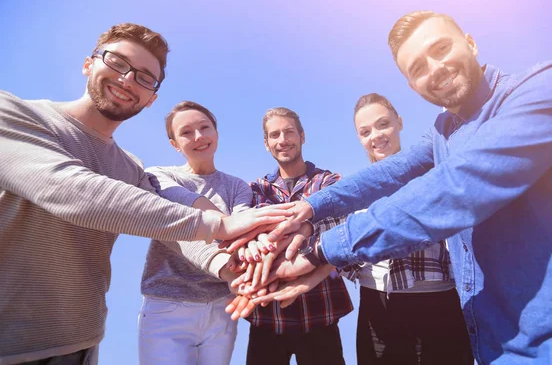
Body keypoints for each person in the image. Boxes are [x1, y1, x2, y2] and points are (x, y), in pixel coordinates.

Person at [251, 11, 552, 364]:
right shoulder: (443, 132)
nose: (434, 69)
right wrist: (309, 208)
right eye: (417, 68)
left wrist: (323, 250)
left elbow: (458, 187)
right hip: (495, 347)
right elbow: (389, 173)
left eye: (442, 48)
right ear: (412, 86)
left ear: (471, 42)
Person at [0, 23, 291, 365]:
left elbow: (171, 230)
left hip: (81, 342)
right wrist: (219, 224)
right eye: (117, 63)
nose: (127, 80)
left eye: (143, 77)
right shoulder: (17, 115)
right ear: (88, 64)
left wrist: (232, 272)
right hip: (11, 342)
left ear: (151, 98)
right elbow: (71, 190)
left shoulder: (130, 168)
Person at [349, 93, 472, 364]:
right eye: (365, 131)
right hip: (378, 308)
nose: (376, 136)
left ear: (399, 122)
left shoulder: (434, 175)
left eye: (383, 124)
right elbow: (344, 246)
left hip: (439, 304)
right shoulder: (356, 192)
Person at [138, 101, 251, 365]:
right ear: (174, 144)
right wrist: (229, 227)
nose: (199, 137)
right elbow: (189, 210)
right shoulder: (158, 176)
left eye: (204, 128)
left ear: (216, 132)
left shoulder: (238, 187)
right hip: (167, 306)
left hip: (222, 306)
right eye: (187, 132)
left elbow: (241, 234)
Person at [245, 107, 353, 365]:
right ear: (266, 143)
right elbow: (248, 237)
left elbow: (343, 228)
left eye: (289, 132)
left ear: (302, 136)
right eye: (274, 135)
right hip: (267, 318)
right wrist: (314, 223)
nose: (282, 140)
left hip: (321, 314)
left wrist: (301, 227)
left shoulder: (328, 182)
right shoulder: (255, 191)